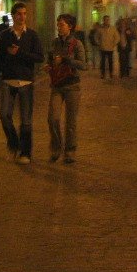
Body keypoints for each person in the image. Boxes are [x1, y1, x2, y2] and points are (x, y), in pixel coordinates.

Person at [0, 3, 45, 164]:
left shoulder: (32, 35)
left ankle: (26, 152)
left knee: (25, 121)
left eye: (24, 13)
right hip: (8, 80)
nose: (22, 17)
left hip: (25, 80)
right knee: (4, 115)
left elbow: (39, 57)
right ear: (13, 15)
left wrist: (20, 53)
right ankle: (13, 143)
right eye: (18, 14)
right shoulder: (5, 35)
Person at [47, 13, 87, 164]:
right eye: (58, 24)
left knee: (70, 122)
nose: (59, 27)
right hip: (57, 85)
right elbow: (51, 60)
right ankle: (56, 147)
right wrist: (49, 65)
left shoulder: (77, 44)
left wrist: (66, 60)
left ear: (70, 27)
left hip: (72, 86)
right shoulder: (55, 43)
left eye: (61, 24)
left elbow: (84, 65)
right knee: (52, 118)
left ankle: (70, 151)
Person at [97, 15, 120, 81]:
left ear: (109, 20)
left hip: (110, 48)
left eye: (108, 19)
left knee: (110, 62)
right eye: (105, 20)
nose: (106, 21)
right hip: (102, 48)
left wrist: (114, 43)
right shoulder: (100, 29)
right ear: (103, 20)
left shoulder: (113, 28)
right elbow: (96, 37)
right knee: (103, 62)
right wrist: (99, 43)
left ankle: (111, 73)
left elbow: (117, 37)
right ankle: (103, 74)